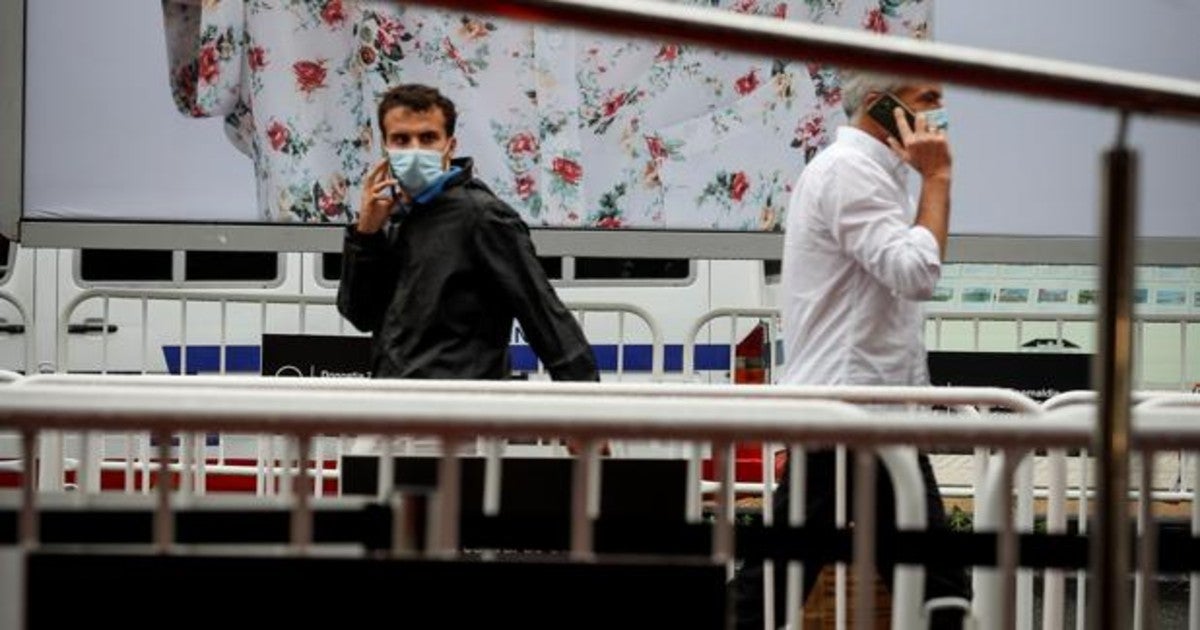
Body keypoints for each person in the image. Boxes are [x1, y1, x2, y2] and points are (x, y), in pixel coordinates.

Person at [733, 71, 971, 628]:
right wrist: (938, 181)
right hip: (852, 413)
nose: (940, 114)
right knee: (776, 580)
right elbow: (915, 272)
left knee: (779, 578)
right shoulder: (851, 172)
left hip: (868, 412)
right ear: (880, 105)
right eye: (927, 99)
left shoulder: (874, 174)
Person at [337, 83, 599, 383]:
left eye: (427, 138)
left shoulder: (483, 216)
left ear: (450, 145)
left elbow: (544, 316)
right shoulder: (390, 215)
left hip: (463, 412)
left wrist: (589, 412)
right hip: (396, 408)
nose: (414, 149)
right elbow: (360, 315)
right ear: (385, 147)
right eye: (401, 139)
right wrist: (365, 235)